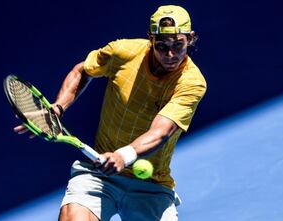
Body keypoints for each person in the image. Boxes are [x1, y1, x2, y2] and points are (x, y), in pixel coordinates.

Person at [14, 5, 206, 221]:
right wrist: (58, 107)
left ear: (190, 38)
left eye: (178, 45)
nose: (170, 54)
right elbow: (82, 70)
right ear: (151, 39)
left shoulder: (191, 82)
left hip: (151, 185)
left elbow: (161, 132)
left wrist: (123, 156)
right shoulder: (123, 52)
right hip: (98, 174)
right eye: (162, 46)